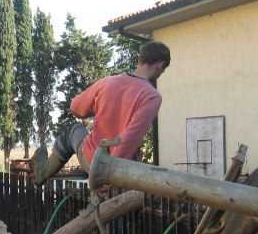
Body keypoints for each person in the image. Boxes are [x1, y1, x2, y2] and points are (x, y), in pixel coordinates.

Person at [31, 40, 171, 184]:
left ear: (141, 59)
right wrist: (109, 174)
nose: (161, 72)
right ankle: (43, 174)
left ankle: (43, 173)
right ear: (160, 64)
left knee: (73, 131)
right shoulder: (151, 96)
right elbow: (130, 138)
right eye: (163, 69)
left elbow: (75, 107)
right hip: (112, 169)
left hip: (93, 160)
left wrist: (100, 106)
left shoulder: (108, 82)